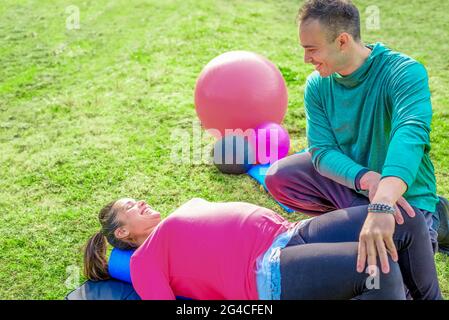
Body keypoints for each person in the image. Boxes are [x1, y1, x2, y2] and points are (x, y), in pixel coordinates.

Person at [265, 0, 446, 279]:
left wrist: (383, 200)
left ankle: (437, 217)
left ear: (342, 41)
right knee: (281, 176)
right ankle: (355, 218)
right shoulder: (318, 85)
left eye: (311, 49)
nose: (306, 59)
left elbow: (409, 135)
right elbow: (322, 151)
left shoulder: (404, 73)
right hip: (357, 185)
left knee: (390, 284)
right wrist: (365, 178)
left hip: (404, 198)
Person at [84, 197, 442, 300]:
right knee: (377, 270)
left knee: (402, 217)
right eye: (130, 206)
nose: (141, 201)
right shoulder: (145, 261)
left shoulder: (178, 213)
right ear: (123, 231)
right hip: (266, 271)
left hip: (292, 232)